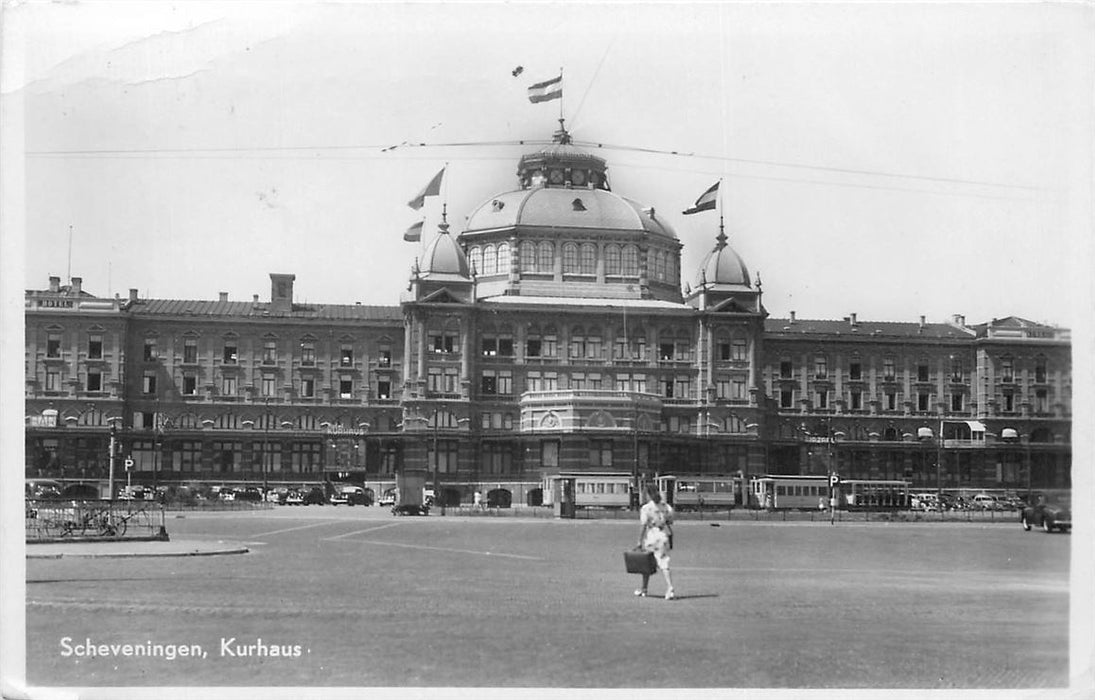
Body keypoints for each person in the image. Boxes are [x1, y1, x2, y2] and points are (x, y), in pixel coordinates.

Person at [635, 483, 676, 600]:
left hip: (652, 536)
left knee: (646, 563)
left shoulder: (646, 508)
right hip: (663, 535)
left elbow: (643, 525)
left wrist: (639, 541)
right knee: (663, 563)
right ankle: (666, 588)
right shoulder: (666, 507)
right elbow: (670, 521)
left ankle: (647, 589)